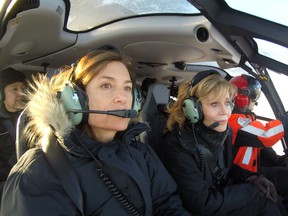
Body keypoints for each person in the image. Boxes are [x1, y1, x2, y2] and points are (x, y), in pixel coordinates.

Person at [0, 49, 190, 216]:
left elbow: (168, 205)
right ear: (75, 99)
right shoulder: (35, 172)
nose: (122, 98)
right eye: (106, 86)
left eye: (127, 88)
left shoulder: (141, 153)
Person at [159, 70, 287, 215]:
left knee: (270, 198)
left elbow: (228, 168)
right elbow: (203, 205)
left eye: (227, 103)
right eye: (214, 104)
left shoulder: (223, 132)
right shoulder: (176, 145)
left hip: (219, 196)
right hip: (205, 208)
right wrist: (252, 191)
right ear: (194, 109)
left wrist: (252, 178)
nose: (225, 111)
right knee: (263, 201)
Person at [228, 74, 288, 209]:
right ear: (242, 96)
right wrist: (285, 121)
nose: (255, 102)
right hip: (242, 178)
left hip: (253, 172)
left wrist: (278, 159)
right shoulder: (233, 121)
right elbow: (266, 135)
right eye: (254, 97)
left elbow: (258, 145)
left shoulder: (244, 119)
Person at [0, 68, 27, 201]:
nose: (21, 93)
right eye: (14, 89)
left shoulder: (33, 115)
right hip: (8, 185)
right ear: (2, 95)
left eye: (22, 87)